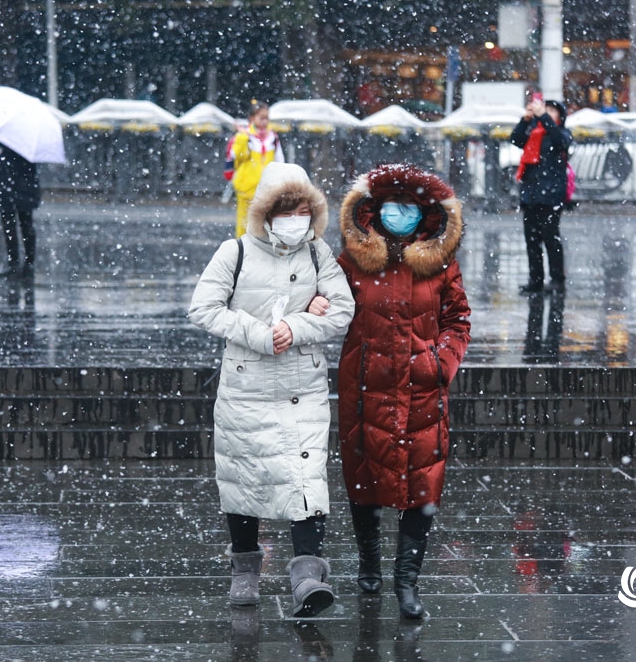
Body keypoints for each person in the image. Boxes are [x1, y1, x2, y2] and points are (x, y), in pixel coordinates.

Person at [188, 161, 354, 617]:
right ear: (266, 212)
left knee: (306, 477)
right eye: (286, 210)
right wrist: (260, 332)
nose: (295, 218)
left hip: (304, 384)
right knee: (244, 476)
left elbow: (343, 310)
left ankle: (306, 575)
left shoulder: (319, 255)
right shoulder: (234, 252)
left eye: (303, 209)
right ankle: (245, 567)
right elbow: (203, 308)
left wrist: (299, 326)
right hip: (248, 386)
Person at [336, 164, 471, 619]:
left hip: (422, 390)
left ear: (426, 215)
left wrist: (441, 361)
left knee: (423, 482)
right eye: (393, 206)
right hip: (365, 387)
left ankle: (407, 581)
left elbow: (458, 320)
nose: (401, 215)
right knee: (364, 478)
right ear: (373, 211)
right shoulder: (351, 262)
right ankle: (368, 564)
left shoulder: (439, 265)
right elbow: (331, 309)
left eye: (410, 207)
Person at [509, 96, 573, 294]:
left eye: (552, 111)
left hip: (552, 195)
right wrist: (526, 120)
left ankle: (557, 281)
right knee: (532, 240)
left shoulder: (562, 133)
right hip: (531, 194)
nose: (547, 114)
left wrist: (543, 117)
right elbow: (515, 138)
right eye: (546, 110)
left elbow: (561, 142)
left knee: (551, 238)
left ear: (560, 116)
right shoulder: (533, 133)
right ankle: (535, 280)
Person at [0, 139, 40, 277]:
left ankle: (23, 264)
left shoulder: (3, 138)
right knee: (19, 227)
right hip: (16, 187)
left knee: (20, 227)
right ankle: (21, 264)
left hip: (15, 187)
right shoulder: (23, 138)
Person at [228, 100, 284, 238]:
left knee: (265, 224)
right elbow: (235, 156)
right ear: (252, 118)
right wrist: (242, 137)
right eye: (261, 117)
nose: (265, 121)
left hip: (267, 189)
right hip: (246, 188)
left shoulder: (272, 137)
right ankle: (243, 252)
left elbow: (280, 160)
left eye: (267, 117)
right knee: (244, 223)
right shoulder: (244, 136)